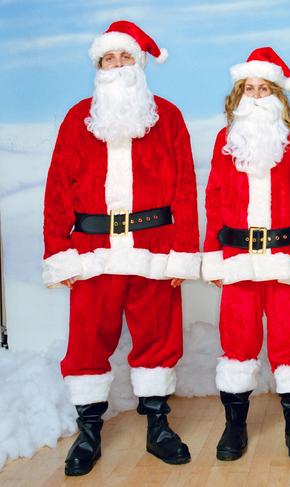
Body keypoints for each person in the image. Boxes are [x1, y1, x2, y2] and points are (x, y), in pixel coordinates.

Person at [42, 21, 200, 475]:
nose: (116, 66)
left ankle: (158, 426)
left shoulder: (166, 116)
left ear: (140, 64)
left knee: (158, 339)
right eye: (107, 60)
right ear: (98, 67)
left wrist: (182, 252)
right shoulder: (78, 118)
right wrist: (59, 251)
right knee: (88, 343)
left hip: (154, 247)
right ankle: (88, 430)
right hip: (93, 251)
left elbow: (185, 187)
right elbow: (57, 190)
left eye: (124, 58)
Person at [202, 47, 290, 461]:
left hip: (286, 255)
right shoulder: (225, 139)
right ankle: (234, 426)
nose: (256, 95)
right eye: (248, 88)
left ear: (277, 94)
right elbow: (214, 197)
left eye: (264, 88)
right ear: (238, 95)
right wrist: (213, 254)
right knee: (238, 343)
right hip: (237, 257)